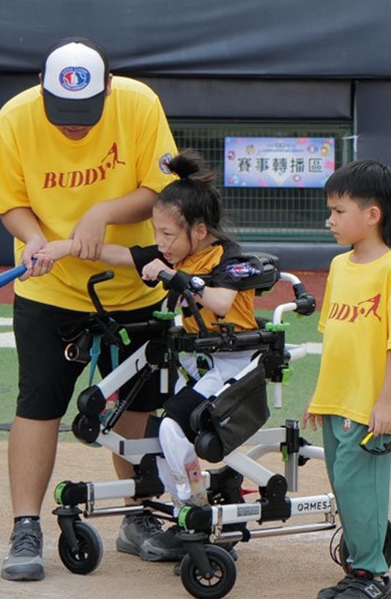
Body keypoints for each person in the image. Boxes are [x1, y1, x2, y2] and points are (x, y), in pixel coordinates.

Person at [0, 37, 179, 581]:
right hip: (50, 291)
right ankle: (26, 526)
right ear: (43, 91)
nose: (74, 127)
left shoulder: (139, 103)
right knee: (38, 403)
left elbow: (161, 186)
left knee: (136, 406)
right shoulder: (16, 117)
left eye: (85, 115)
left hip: (134, 283)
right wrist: (33, 240)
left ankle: (139, 517)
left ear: (109, 89)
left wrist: (102, 213)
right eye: (63, 114)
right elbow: (10, 201)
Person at [38, 149, 263, 522]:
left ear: (200, 231)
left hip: (233, 363)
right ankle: (187, 499)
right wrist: (66, 247)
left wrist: (172, 276)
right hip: (197, 363)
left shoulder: (231, 259)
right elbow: (116, 255)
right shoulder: (177, 256)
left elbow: (222, 302)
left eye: (167, 234)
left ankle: (194, 504)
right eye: (156, 232)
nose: (160, 242)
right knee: (158, 435)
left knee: (174, 429)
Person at [301, 159, 391, 599]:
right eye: (329, 210)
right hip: (337, 400)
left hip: (369, 407)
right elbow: (336, 340)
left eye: (338, 210)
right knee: (344, 484)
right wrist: (320, 396)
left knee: (360, 485)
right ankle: (357, 570)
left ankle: (374, 576)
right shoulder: (338, 266)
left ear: (373, 215)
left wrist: (387, 402)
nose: (330, 219)